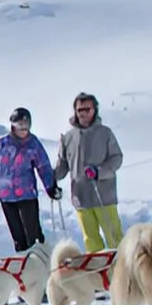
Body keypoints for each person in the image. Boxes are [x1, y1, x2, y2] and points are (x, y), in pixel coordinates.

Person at [54, 92, 125, 251]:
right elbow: (63, 166)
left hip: (104, 197)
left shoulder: (105, 133)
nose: (83, 113)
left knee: (115, 239)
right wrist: (50, 176)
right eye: (80, 110)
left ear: (94, 110)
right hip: (81, 198)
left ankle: (123, 271)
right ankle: (99, 273)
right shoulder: (68, 137)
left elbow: (117, 158)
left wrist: (100, 172)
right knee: (91, 242)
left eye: (87, 109)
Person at [0, 107, 58, 253]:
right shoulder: (3, 144)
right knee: (18, 238)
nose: (24, 130)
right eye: (20, 126)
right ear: (13, 126)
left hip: (26, 195)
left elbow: (43, 166)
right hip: (6, 197)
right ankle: (24, 267)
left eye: (26, 126)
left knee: (33, 237)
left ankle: (39, 262)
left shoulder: (33, 144)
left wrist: (50, 187)